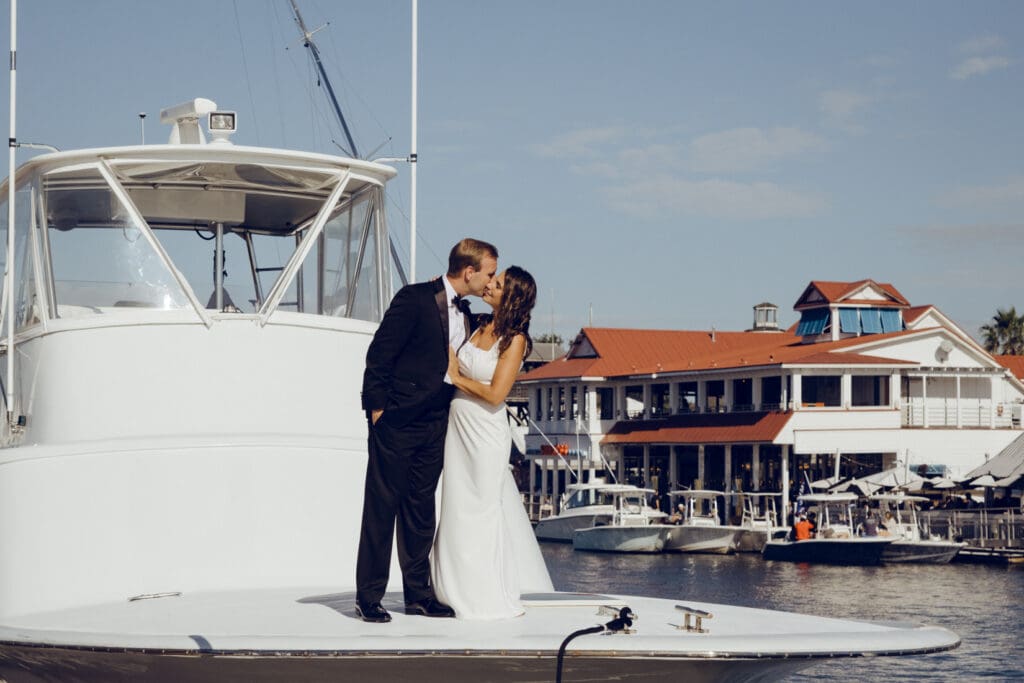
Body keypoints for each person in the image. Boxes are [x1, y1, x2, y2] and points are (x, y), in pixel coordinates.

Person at [355, 238, 498, 623]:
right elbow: (380, 353)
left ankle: (418, 595)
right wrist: (377, 409)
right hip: (396, 421)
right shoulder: (414, 298)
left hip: (436, 424)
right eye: (489, 273)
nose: (491, 281)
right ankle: (368, 597)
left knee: (421, 511)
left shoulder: (468, 314)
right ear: (469, 271)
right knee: (381, 509)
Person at [431, 266, 542, 620]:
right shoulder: (478, 323)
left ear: (512, 296)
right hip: (457, 429)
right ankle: (448, 589)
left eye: (498, 283)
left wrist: (456, 376)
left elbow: (496, 394)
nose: (490, 284)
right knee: (454, 509)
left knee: (479, 513)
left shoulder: (516, 340)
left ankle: (481, 595)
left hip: (485, 435)